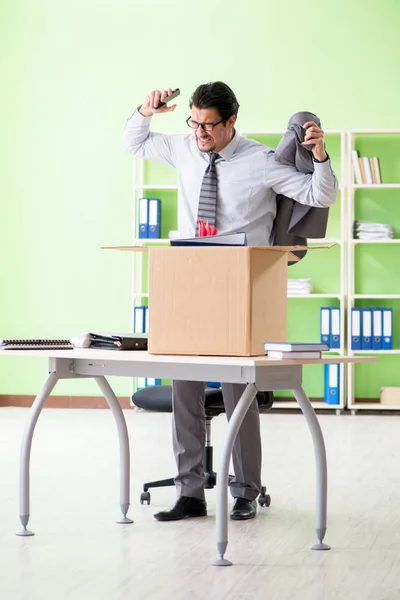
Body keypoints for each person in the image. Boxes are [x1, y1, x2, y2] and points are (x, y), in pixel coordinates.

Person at [123, 82, 338, 522]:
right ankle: (189, 492)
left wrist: (320, 157)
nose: (200, 133)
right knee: (186, 387)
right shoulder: (183, 149)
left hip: (243, 287)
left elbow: (320, 195)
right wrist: (145, 110)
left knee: (241, 391)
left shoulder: (261, 161)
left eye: (209, 125)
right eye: (195, 123)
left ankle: (245, 490)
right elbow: (135, 141)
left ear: (232, 121)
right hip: (191, 281)